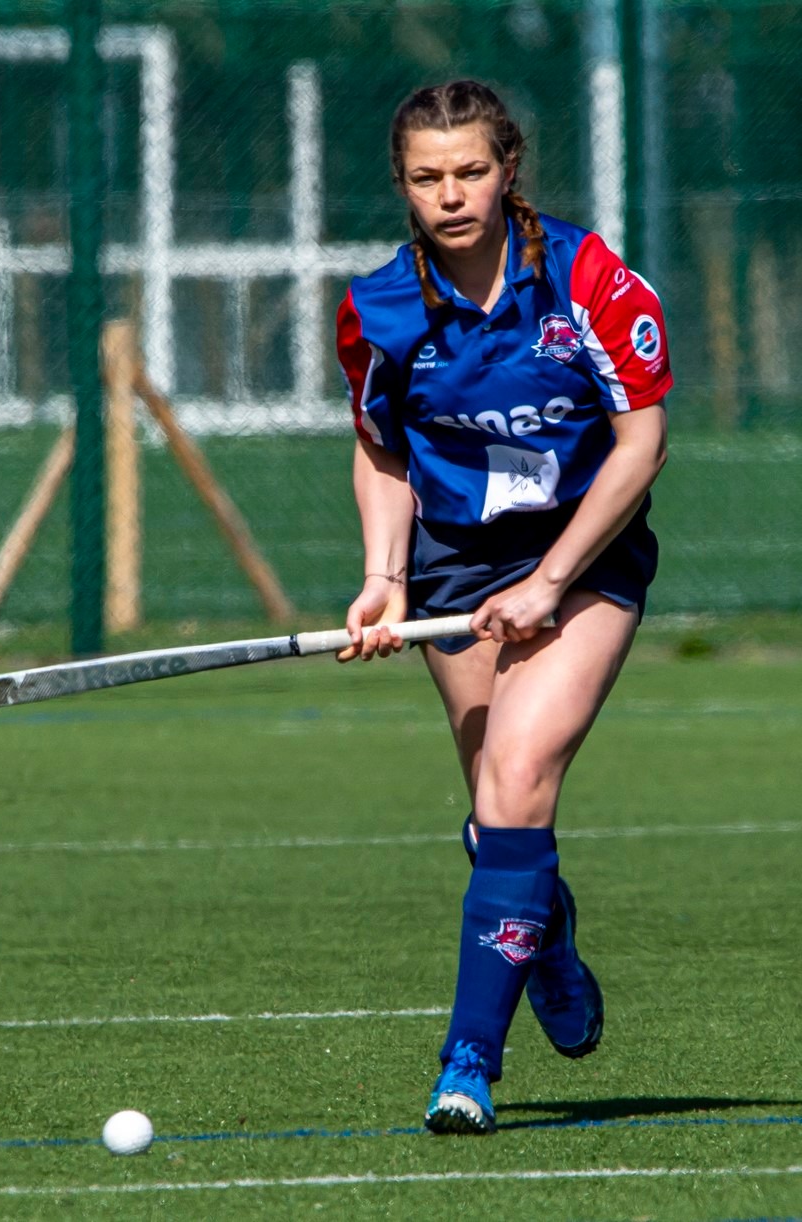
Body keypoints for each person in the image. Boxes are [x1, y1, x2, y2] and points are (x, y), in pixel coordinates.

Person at [333, 80, 672, 1136]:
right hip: (451, 561)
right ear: (401, 185)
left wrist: (551, 581)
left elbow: (640, 444)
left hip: (583, 549)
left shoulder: (586, 278)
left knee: (520, 773)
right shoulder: (378, 307)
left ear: (508, 168)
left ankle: (467, 1063)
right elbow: (383, 444)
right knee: (497, 817)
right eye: (427, 178)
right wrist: (383, 579)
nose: (451, 195)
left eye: (470, 171)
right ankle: (551, 941)